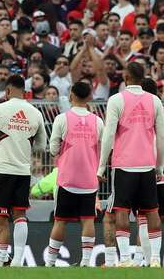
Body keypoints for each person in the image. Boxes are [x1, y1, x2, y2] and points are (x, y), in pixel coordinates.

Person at [0, 74, 47, 267]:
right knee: (20, 215)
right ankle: (18, 262)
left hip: (2, 168)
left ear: (7, 91)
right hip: (22, 171)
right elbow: (41, 146)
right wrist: (24, 144)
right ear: (24, 91)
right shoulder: (35, 113)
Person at [98, 62, 164, 267]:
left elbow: (109, 134)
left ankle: (126, 259)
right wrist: (159, 165)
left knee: (121, 211)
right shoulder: (154, 100)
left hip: (123, 165)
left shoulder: (116, 100)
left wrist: (102, 165)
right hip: (147, 164)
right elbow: (161, 136)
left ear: (125, 78)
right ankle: (155, 259)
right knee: (152, 211)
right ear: (143, 77)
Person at [45, 82, 103, 267]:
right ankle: (86, 262)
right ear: (89, 97)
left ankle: (50, 262)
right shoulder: (98, 121)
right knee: (88, 220)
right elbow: (102, 151)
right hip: (89, 180)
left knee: (60, 221)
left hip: (67, 179)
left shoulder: (62, 119)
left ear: (71, 95)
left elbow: (53, 149)